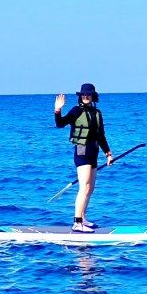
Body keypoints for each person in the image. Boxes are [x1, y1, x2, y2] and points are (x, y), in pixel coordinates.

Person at [54, 83, 113, 232]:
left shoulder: (97, 113)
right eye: (83, 94)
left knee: (90, 188)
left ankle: (83, 218)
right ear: (80, 96)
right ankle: (77, 222)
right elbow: (60, 124)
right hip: (82, 151)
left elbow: (101, 136)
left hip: (94, 151)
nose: (85, 96)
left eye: (88, 94)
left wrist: (108, 153)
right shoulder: (75, 111)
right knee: (84, 187)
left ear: (93, 96)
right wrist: (58, 110)